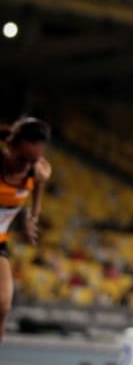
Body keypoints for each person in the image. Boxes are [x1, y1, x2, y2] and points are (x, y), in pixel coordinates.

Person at [0, 117, 52, 342]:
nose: (26, 165)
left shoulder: (38, 171)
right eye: (22, 159)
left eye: (33, 160)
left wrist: (32, 218)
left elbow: (38, 188)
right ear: (10, 146)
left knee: (3, 304)